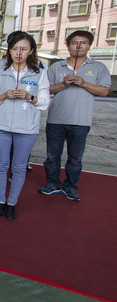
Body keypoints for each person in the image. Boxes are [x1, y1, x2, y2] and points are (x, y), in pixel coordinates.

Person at [39, 30, 111, 202]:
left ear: (89, 46)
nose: (79, 46)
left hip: (80, 121)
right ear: (68, 45)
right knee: (52, 156)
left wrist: (84, 83)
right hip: (56, 120)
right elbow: (46, 89)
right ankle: (52, 183)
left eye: (83, 42)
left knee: (75, 158)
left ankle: (70, 186)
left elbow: (104, 91)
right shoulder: (56, 67)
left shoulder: (98, 67)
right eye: (74, 42)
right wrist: (63, 84)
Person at [0, 32, 50, 221]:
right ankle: (0, 201)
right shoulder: (2, 69)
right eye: (15, 48)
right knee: (1, 166)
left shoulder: (40, 72)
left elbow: (45, 103)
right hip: (1, 126)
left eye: (23, 48)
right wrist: (4, 95)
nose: (18, 52)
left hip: (27, 129)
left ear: (31, 50)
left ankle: (12, 203)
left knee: (19, 167)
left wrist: (29, 97)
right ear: (10, 50)